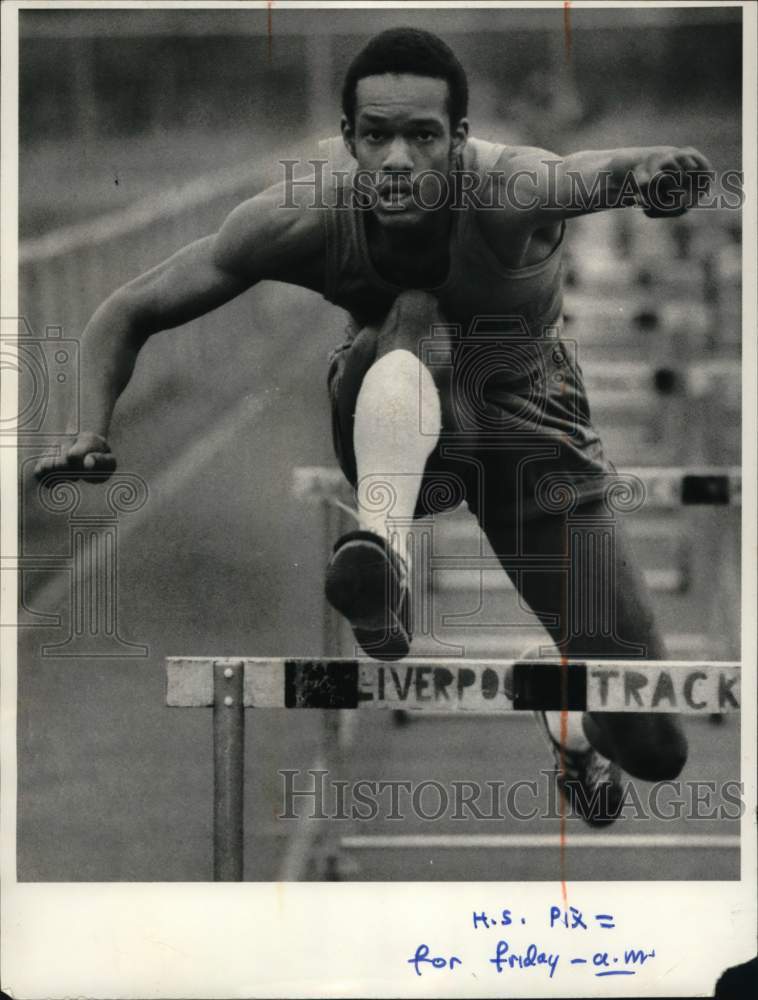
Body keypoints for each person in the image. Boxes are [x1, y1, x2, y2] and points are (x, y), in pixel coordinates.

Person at [36, 27, 712, 826]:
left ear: (458, 139)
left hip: (532, 429)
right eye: (377, 136)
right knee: (414, 314)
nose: (397, 160)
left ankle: (571, 725)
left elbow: (587, 172)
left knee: (656, 747)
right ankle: (378, 556)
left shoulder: (508, 189)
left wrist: (651, 170)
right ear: (349, 139)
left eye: (421, 136)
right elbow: (130, 308)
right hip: (391, 418)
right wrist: (88, 429)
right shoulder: (302, 218)